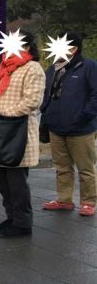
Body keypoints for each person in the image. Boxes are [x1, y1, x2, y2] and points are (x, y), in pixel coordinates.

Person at [0, 29, 45, 238]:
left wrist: (5, 114)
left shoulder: (33, 68)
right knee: (2, 179)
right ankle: (11, 217)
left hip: (18, 131)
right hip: (1, 130)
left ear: (27, 47)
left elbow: (32, 101)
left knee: (17, 181)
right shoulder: (4, 67)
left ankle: (22, 223)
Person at [40, 32, 97, 217]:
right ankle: (64, 200)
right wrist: (46, 113)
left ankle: (89, 202)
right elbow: (46, 94)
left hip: (81, 128)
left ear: (73, 49)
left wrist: (84, 115)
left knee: (86, 168)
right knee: (62, 167)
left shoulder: (88, 66)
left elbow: (95, 95)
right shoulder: (53, 69)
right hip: (56, 126)